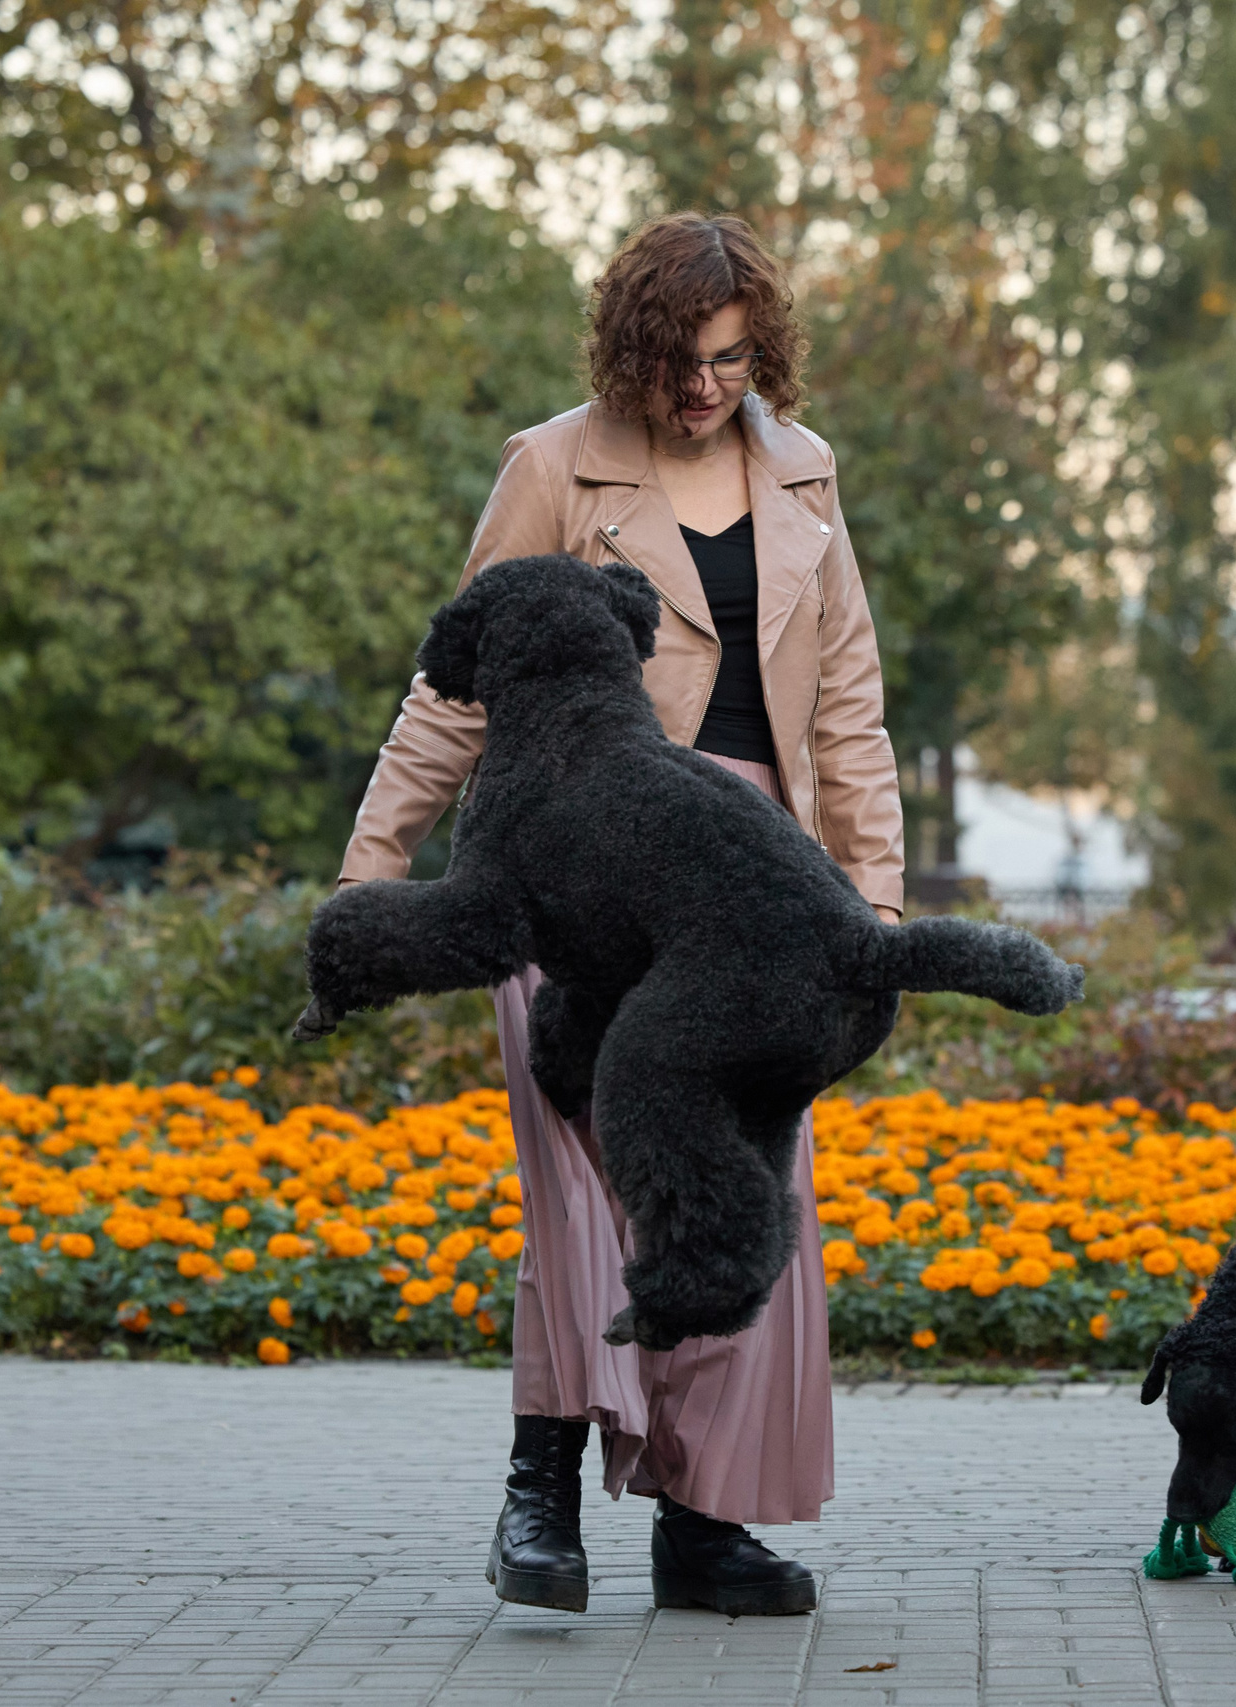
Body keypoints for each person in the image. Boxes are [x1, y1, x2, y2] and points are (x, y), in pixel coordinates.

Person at [335, 212, 904, 1616]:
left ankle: (706, 1524)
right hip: (573, 873)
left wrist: (876, 904)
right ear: (629, 349)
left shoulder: (807, 477)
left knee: (743, 1187)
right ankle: (541, 1496)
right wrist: (371, 871)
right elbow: (449, 692)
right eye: (680, 360)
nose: (708, 387)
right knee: (584, 1184)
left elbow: (848, 706)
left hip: (753, 886)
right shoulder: (553, 466)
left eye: (732, 357)